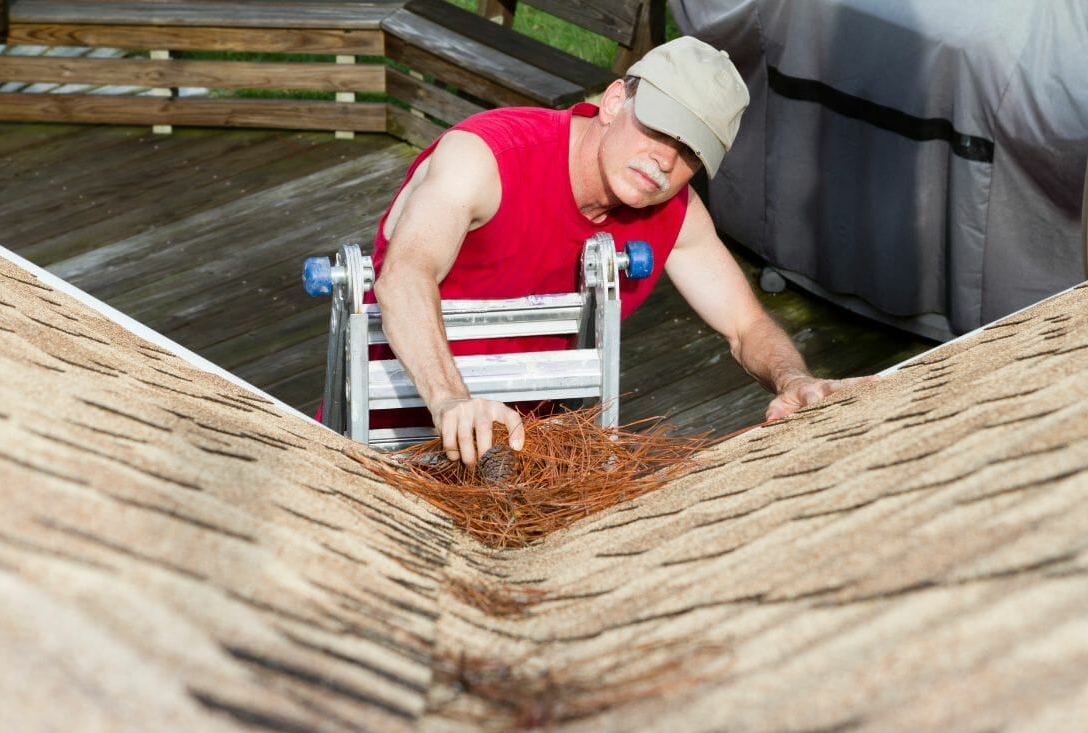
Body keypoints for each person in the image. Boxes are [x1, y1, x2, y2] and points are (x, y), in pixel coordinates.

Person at [371, 36, 871, 466]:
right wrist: (451, 401)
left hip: (522, 455)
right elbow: (405, 274)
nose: (666, 161)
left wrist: (793, 379)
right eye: (660, 129)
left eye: (691, 152)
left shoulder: (675, 211)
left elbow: (747, 326)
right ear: (613, 102)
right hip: (394, 430)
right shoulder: (485, 158)